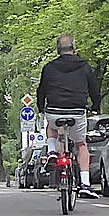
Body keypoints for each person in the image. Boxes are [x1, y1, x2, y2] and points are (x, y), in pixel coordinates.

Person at [35, 34, 101, 195]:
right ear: (74, 48)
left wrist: (41, 108)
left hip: (54, 111)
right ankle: (85, 184)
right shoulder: (84, 66)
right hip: (77, 112)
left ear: (58, 50)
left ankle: (51, 151)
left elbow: (41, 91)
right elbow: (94, 89)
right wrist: (96, 106)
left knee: (51, 126)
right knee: (81, 144)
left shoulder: (49, 67)